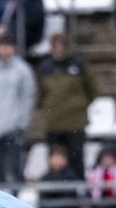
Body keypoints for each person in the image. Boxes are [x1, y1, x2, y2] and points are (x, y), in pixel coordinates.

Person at [0, 36, 36, 189]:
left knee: (15, 168)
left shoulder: (22, 71)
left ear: (13, 48)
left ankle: (17, 201)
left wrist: (21, 124)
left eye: (7, 46)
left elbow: (27, 98)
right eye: (1, 46)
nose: (3, 50)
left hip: (12, 127)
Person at [37, 33, 95, 163]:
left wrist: (78, 104)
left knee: (76, 160)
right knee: (56, 162)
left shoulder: (78, 64)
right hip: (54, 123)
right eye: (55, 46)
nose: (58, 49)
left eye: (61, 46)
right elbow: (40, 94)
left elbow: (92, 89)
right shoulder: (45, 67)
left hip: (75, 122)